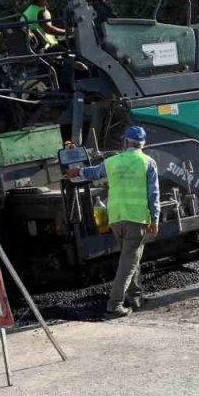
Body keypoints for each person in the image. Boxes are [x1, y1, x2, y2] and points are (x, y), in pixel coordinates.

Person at [68, 126, 160, 317]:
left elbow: (94, 173)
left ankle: (135, 297)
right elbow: (154, 194)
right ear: (143, 144)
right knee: (129, 262)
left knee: (129, 259)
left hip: (116, 220)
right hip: (137, 219)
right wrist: (155, 219)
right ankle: (115, 304)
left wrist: (77, 172)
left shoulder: (112, 162)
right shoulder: (148, 162)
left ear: (126, 142)